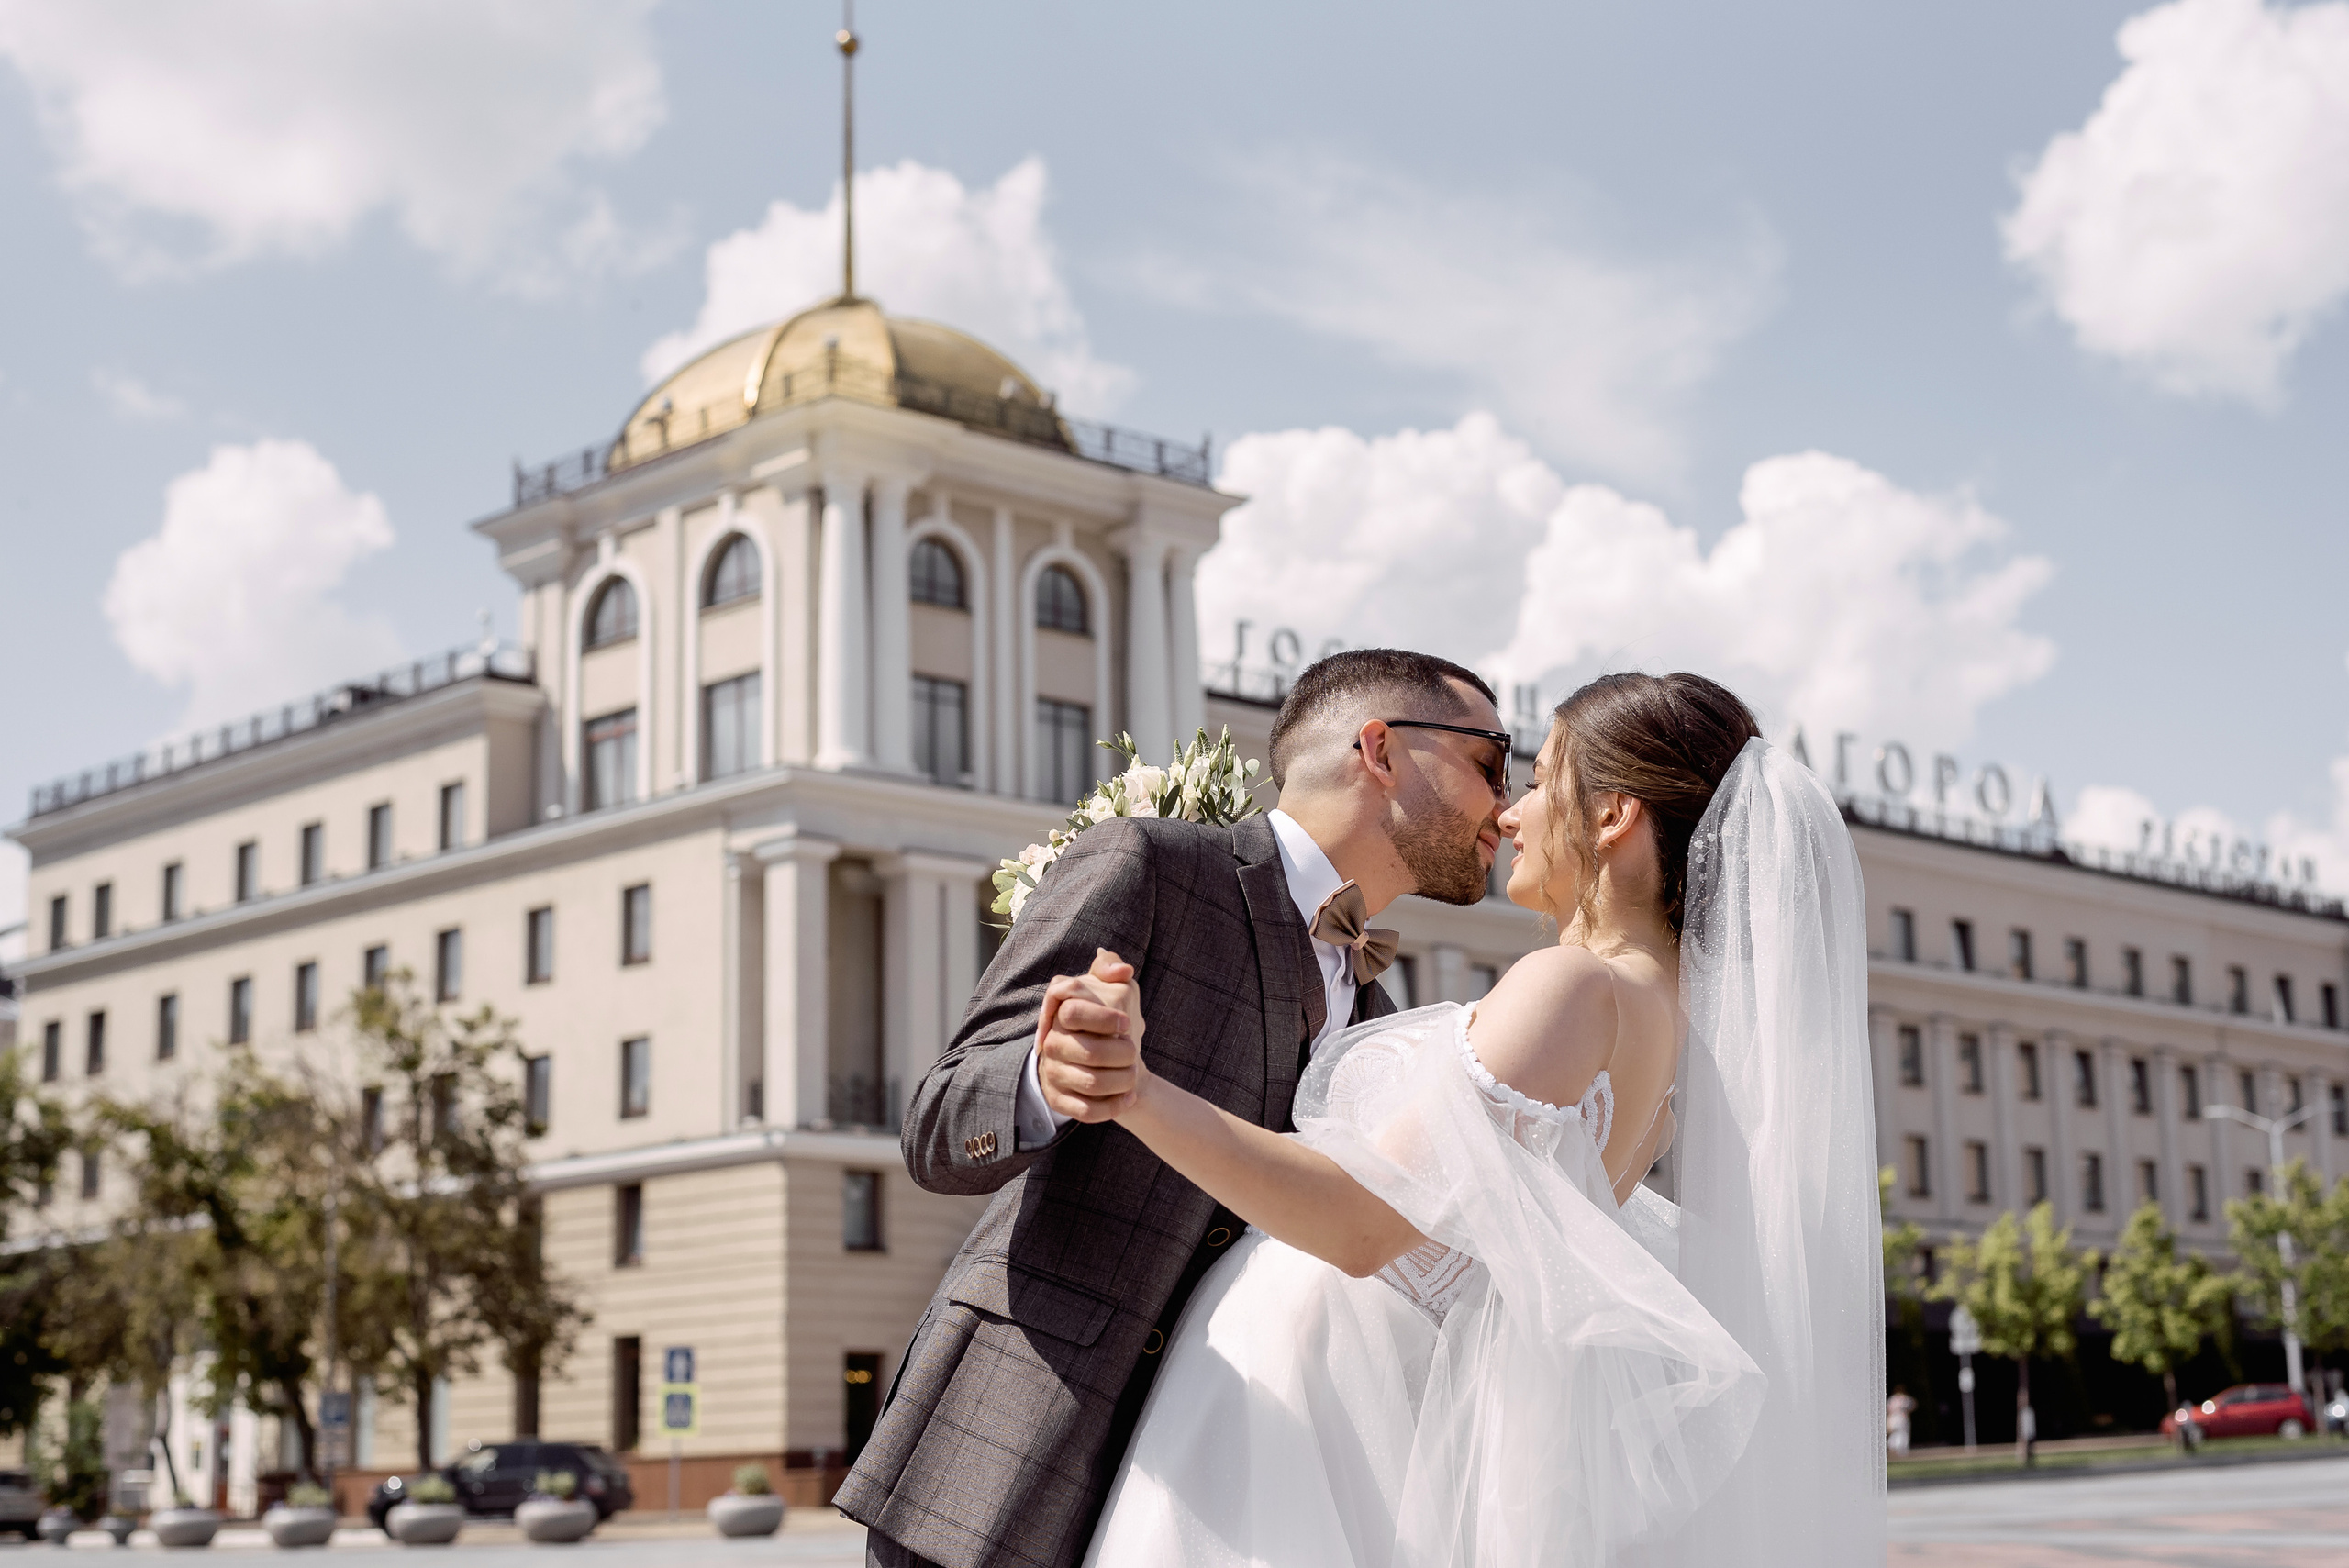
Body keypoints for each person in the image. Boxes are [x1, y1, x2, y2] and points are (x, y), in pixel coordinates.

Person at [1045, 673, 1887, 1567]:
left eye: (1539, 777)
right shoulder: (1670, 1036)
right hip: (1388, 1436)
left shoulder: (1577, 987)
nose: (1512, 815)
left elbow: (1362, 1222)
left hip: (1300, 1432)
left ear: (1613, 818)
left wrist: (1135, 1089)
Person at [835, 649, 1515, 1568]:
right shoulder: (1151, 862)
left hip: (1221, 1491)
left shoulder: (1379, 1014)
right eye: (1490, 760)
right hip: (1014, 1450)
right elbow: (938, 1119)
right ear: (1381, 748)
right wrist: (1049, 1077)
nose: (1506, 806)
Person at [1887, 1387, 1917, 1455]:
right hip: (1899, 1418)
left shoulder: (1893, 1399)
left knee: (1902, 1433)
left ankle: (1898, 1449)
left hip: (1899, 1418)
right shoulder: (1901, 1399)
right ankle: (1897, 1449)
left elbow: (1913, 1405)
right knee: (1900, 1433)